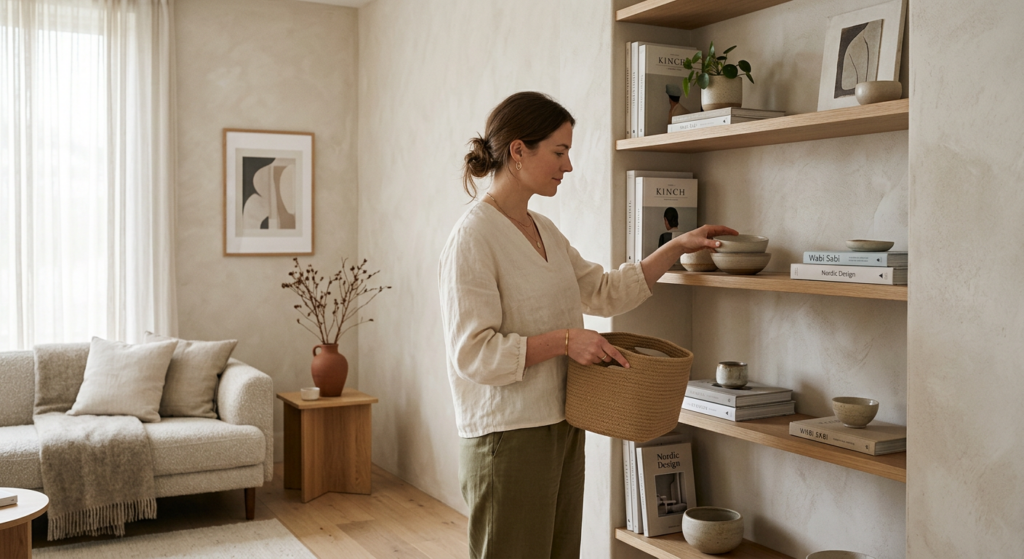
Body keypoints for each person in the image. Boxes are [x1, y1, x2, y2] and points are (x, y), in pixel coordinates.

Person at [438, 91, 737, 559]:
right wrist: (564, 341)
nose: (569, 165)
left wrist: (675, 247)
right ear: (519, 151)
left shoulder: (544, 230)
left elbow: (603, 291)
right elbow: (474, 354)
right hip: (507, 438)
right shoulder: (472, 237)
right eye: (559, 151)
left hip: (563, 424)